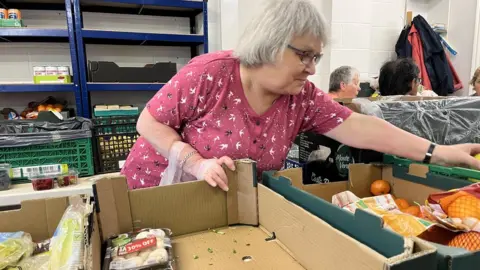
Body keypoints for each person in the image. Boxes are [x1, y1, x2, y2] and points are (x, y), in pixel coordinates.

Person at [121, 0, 480, 191]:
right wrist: (194, 162)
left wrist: (442, 152)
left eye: (316, 57)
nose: (312, 68)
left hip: (223, 203)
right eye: (304, 55)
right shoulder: (211, 73)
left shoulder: (302, 98)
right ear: (269, 43)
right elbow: (148, 121)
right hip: (159, 194)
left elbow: (361, 127)